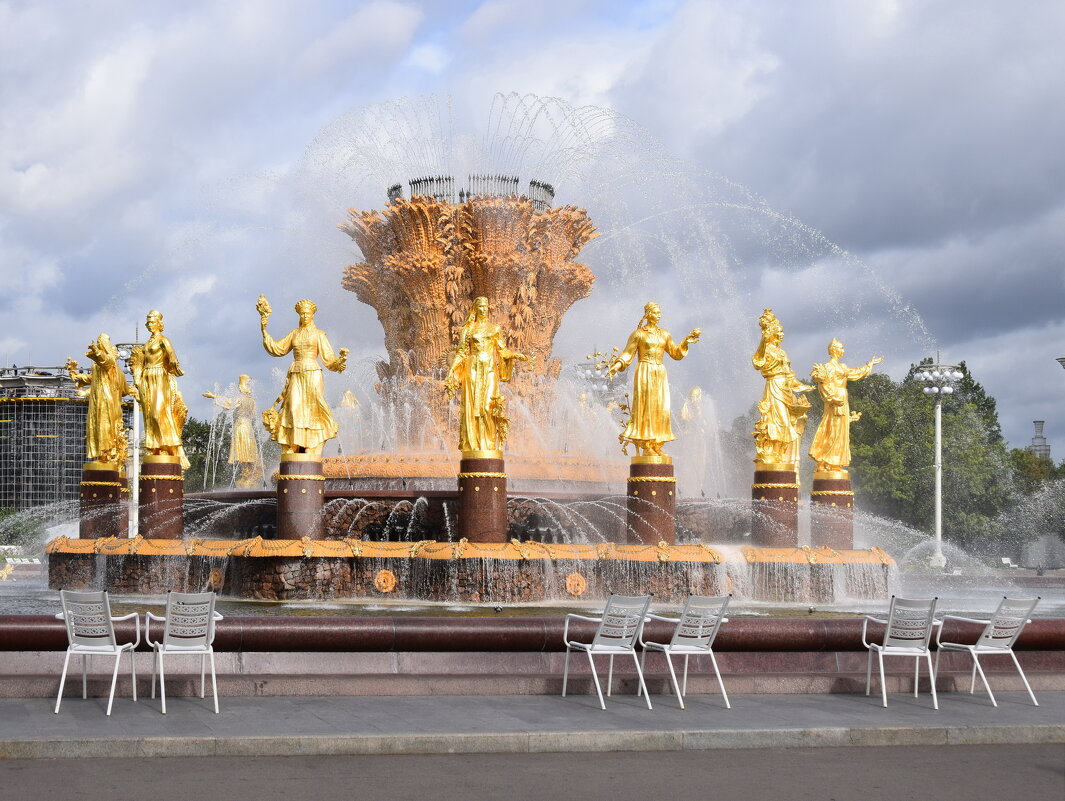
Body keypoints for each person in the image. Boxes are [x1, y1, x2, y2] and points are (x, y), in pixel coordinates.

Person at [606, 301, 700, 458]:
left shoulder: (664, 334)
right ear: (648, 314)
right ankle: (647, 443)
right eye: (656, 312)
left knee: (661, 407)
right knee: (647, 407)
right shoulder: (638, 334)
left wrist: (686, 341)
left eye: (660, 312)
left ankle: (657, 443)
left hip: (660, 372)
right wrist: (616, 366)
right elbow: (628, 354)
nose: (659, 315)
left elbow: (676, 353)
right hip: (645, 370)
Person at [258, 296, 348, 456]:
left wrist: (339, 362)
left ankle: (312, 444)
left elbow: (329, 358)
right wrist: (264, 330)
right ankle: (294, 443)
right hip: (296, 372)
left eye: (307, 314)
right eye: (302, 314)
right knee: (293, 407)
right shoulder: (294, 334)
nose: (305, 316)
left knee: (313, 409)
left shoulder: (319, 334)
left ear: (312, 315)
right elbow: (277, 349)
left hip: (313, 373)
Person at [444, 296, 527, 455]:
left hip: (489, 370)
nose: (483, 309)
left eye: (485, 307)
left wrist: (516, 356)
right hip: (472, 369)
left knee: (488, 406)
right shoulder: (468, 330)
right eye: (480, 306)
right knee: (472, 405)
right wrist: (451, 371)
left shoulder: (495, 328)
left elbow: (502, 351)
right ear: (475, 308)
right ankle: (473, 444)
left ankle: (488, 444)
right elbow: (461, 352)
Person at [808, 338, 882, 472]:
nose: (844, 351)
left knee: (841, 432)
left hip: (842, 400)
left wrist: (869, 364)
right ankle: (824, 461)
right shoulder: (828, 367)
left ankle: (834, 463)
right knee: (833, 431)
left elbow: (856, 373)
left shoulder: (842, 367)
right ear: (834, 350)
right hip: (836, 401)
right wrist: (833, 398)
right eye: (841, 348)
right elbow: (823, 384)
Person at [751, 309, 812, 466]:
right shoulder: (766, 349)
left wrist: (802, 386)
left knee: (786, 423)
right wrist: (763, 341)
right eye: (779, 331)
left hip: (785, 389)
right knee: (777, 421)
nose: (782, 334)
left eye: (782, 331)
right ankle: (771, 452)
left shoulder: (782, 352)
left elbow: (790, 375)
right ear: (771, 332)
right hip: (774, 387)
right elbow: (757, 362)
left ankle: (779, 454)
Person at [130, 310, 189, 467]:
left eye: (152, 321)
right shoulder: (147, 343)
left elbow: (173, 359)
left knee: (159, 412)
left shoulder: (164, 341)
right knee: (149, 414)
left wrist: (176, 368)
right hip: (147, 378)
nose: (149, 324)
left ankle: (166, 445)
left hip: (159, 377)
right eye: (148, 322)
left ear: (159, 324)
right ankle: (155, 447)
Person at [66, 333, 132, 466]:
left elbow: (105, 361)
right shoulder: (97, 366)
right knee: (95, 426)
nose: (98, 344)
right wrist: (77, 375)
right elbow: (92, 378)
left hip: (106, 401)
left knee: (105, 426)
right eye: (97, 342)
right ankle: (102, 454)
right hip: (97, 400)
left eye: (99, 342)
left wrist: (96, 352)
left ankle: (108, 453)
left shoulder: (111, 364)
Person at [203, 374, 261, 487]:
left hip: (240, 427)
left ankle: (247, 475)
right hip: (248, 428)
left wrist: (213, 396)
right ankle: (248, 475)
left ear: (241, 387)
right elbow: (253, 416)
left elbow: (229, 403)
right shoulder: (252, 401)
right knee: (249, 453)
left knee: (243, 453)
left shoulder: (240, 398)